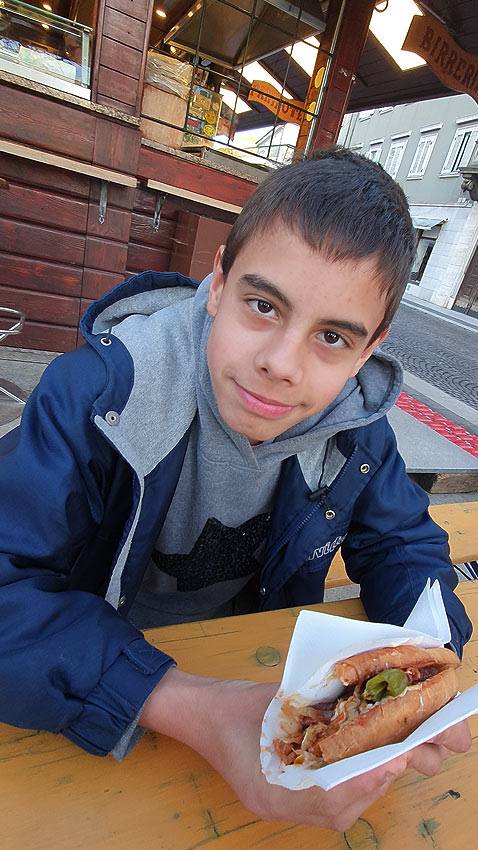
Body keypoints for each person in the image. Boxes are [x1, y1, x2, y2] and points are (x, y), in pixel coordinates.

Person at [0, 147, 472, 831]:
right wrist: (187, 703)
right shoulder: (97, 399)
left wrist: (429, 657)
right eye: (262, 304)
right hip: (89, 676)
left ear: (369, 350)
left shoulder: (356, 436)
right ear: (218, 282)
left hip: (253, 666)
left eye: (333, 337)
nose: (280, 364)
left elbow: (405, 546)